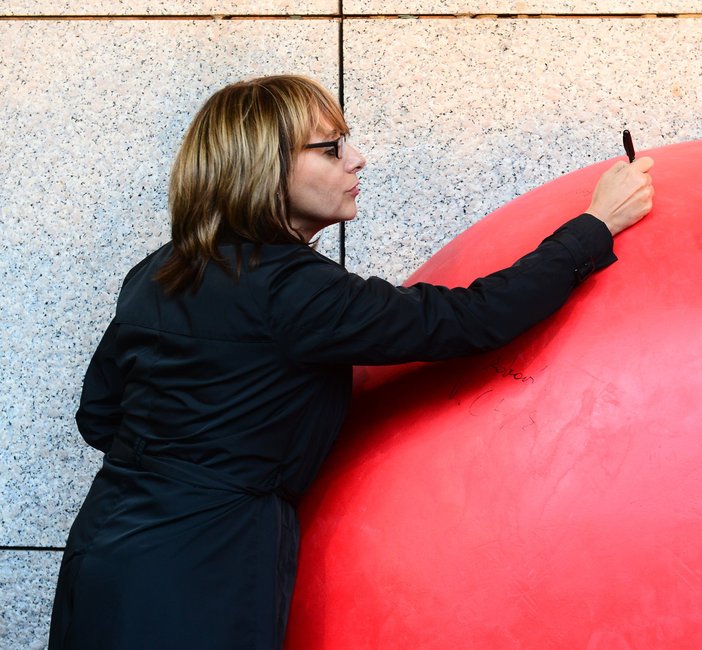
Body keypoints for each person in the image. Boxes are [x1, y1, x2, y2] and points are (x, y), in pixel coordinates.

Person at [48, 75, 654, 649]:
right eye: (331, 147)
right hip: (205, 564)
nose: (356, 158)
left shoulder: (161, 269)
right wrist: (595, 226)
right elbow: (473, 319)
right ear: (265, 169)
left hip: (106, 551)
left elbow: (98, 416)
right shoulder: (292, 288)